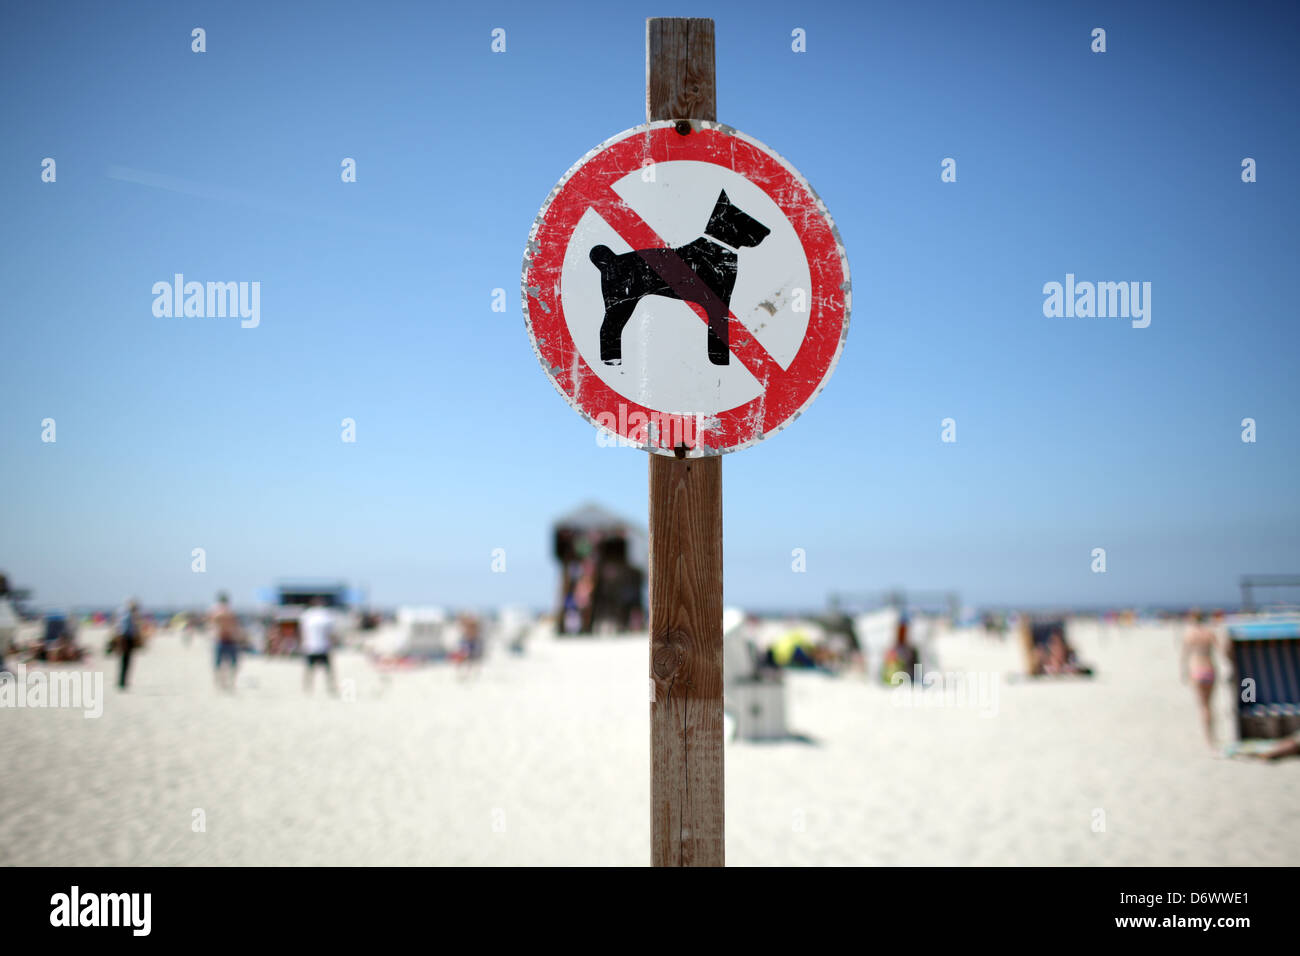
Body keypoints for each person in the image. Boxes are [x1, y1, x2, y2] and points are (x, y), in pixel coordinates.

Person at [1181, 609, 1221, 747]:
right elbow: (1221, 651)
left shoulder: (1189, 634)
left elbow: (1184, 656)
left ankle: (1208, 740)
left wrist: (1184, 673)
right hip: (1210, 669)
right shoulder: (1209, 633)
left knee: (1203, 707)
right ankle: (1214, 736)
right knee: (1210, 706)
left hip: (1196, 670)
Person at [298, 597, 338, 695]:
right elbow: (330, 634)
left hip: (310, 646)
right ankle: (330, 689)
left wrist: (301, 644)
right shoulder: (326, 615)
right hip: (323, 647)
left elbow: (301, 632)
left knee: (310, 670)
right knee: (327, 671)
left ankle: (307, 689)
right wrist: (333, 644)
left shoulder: (306, 616)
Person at [209, 592, 243, 692]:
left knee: (230, 664)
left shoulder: (229, 612)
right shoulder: (217, 612)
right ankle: (223, 683)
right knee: (221, 665)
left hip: (229, 640)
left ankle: (228, 683)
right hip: (222, 640)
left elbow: (235, 626)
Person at [113, 599, 140, 689]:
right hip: (126, 639)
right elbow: (123, 629)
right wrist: (122, 642)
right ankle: (122, 682)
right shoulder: (127, 614)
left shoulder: (129, 614)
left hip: (127, 639)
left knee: (126, 662)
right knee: (125, 661)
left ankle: (123, 681)